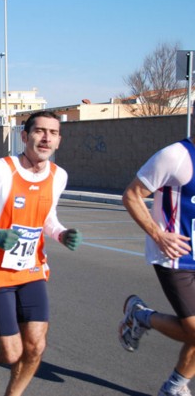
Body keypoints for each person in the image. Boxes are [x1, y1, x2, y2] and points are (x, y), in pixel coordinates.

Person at [0, 110, 83, 395]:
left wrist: (60, 233)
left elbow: (47, 218)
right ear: (24, 136)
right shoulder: (0, 170)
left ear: (59, 140)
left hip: (32, 267)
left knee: (36, 347)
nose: (46, 138)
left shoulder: (59, 176)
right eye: (39, 131)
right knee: (10, 354)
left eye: (53, 133)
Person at [120, 116, 195, 396]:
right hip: (176, 257)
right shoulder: (175, 156)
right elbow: (132, 195)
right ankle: (143, 317)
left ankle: (174, 388)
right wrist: (158, 234)